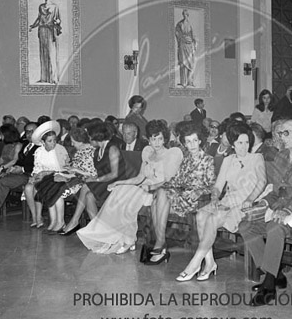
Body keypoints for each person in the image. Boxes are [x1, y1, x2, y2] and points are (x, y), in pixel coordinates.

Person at [239, 119, 292, 306]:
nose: (281, 137)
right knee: (246, 225)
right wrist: (263, 202)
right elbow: (278, 191)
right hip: (280, 208)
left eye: (285, 133)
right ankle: (276, 273)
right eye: (280, 133)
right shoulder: (282, 156)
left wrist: (287, 210)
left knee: (274, 227)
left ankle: (269, 286)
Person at [176, 122, 266, 282]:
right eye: (240, 143)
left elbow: (262, 181)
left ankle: (195, 263)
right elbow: (218, 186)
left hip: (246, 203)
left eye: (246, 142)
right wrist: (214, 198)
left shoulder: (256, 158)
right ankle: (210, 262)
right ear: (233, 143)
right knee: (201, 215)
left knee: (213, 218)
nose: (244, 146)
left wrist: (250, 199)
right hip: (228, 200)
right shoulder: (228, 160)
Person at [76, 120, 183, 254]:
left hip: (159, 192)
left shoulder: (172, 154)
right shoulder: (148, 152)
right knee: (119, 190)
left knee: (130, 199)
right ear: (149, 140)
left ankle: (128, 240)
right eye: (153, 139)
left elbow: (169, 181)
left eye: (159, 139)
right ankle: (115, 237)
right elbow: (139, 178)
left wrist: (150, 187)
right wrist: (120, 183)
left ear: (165, 138)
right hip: (143, 187)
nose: (156, 143)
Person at [147, 122, 216, 264]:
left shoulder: (208, 160)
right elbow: (175, 180)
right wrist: (157, 188)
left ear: (200, 141)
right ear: (185, 143)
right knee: (159, 196)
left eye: (195, 140)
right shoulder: (185, 160)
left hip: (196, 200)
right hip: (181, 197)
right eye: (188, 142)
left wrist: (199, 191)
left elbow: (213, 185)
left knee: (157, 201)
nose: (192, 145)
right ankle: (160, 243)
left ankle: (160, 244)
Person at [58, 122, 125, 236]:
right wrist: (91, 177)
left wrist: (95, 180)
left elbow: (114, 174)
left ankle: (75, 221)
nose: (88, 139)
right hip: (104, 182)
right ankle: (98, 230)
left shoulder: (112, 149)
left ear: (96, 136)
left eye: (89, 136)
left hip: (116, 184)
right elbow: (97, 172)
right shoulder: (98, 150)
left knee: (85, 186)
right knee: (89, 195)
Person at [41, 127, 97, 233]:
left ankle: (60, 222)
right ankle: (54, 221)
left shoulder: (92, 151)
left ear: (80, 141)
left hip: (84, 182)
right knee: (51, 186)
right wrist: (65, 172)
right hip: (75, 178)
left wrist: (74, 171)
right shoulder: (79, 151)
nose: (71, 144)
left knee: (57, 192)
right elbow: (74, 170)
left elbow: (93, 174)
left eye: (73, 141)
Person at [24, 121, 69, 228]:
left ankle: (39, 217)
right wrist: (34, 176)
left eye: (55, 140)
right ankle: (35, 217)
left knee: (38, 187)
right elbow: (37, 168)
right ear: (43, 142)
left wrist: (47, 173)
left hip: (56, 176)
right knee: (28, 187)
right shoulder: (39, 151)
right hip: (43, 176)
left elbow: (65, 168)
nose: (53, 143)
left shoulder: (60, 149)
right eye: (50, 141)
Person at [29, 0, 62, 84]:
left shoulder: (55, 6)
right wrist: (33, 26)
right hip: (42, 30)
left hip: (50, 30)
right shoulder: (41, 6)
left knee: (51, 53)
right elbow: (39, 18)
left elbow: (58, 19)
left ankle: (53, 78)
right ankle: (44, 78)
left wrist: (57, 22)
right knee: (43, 53)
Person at [175, 9, 196, 88]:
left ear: (188, 15)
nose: (184, 16)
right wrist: (180, 39)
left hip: (189, 45)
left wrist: (194, 44)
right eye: (183, 14)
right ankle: (183, 82)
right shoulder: (179, 24)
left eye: (186, 14)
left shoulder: (190, 25)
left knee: (190, 63)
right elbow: (177, 33)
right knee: (183, 63)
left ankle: (190, 82)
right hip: (182, 44)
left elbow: (193, 35)